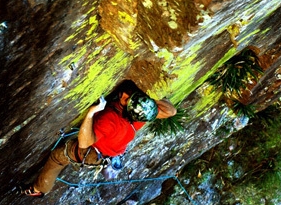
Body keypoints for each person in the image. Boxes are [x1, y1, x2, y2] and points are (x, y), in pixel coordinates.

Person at [22, 80, 176, 197]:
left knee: (57, 158)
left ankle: (38, 189)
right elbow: (171, 111)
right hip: (107, 154)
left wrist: (90, 113)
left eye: (126, 97)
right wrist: (146, 102)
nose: (122, 95)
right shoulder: (139, 116)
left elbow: (84, 142)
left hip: (90, 152)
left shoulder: (110, 119)